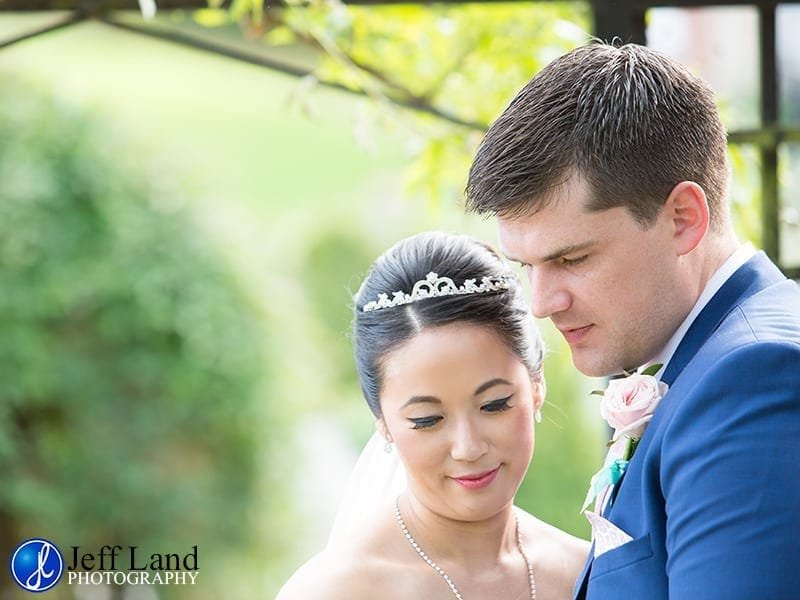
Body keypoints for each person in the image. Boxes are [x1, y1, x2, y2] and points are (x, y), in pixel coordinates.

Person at [465, 41, 800, 599]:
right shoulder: (715, 360)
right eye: (527, 266)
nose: (541, 303)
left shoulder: (753, 383)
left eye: (571, 259)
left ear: (683, 219)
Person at [277, 231, 589, 599]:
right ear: (383, 421)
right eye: (427, 420)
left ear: (536, 386)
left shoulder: (585, 571)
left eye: (494, 404)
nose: (468, 448)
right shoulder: (334, 590)